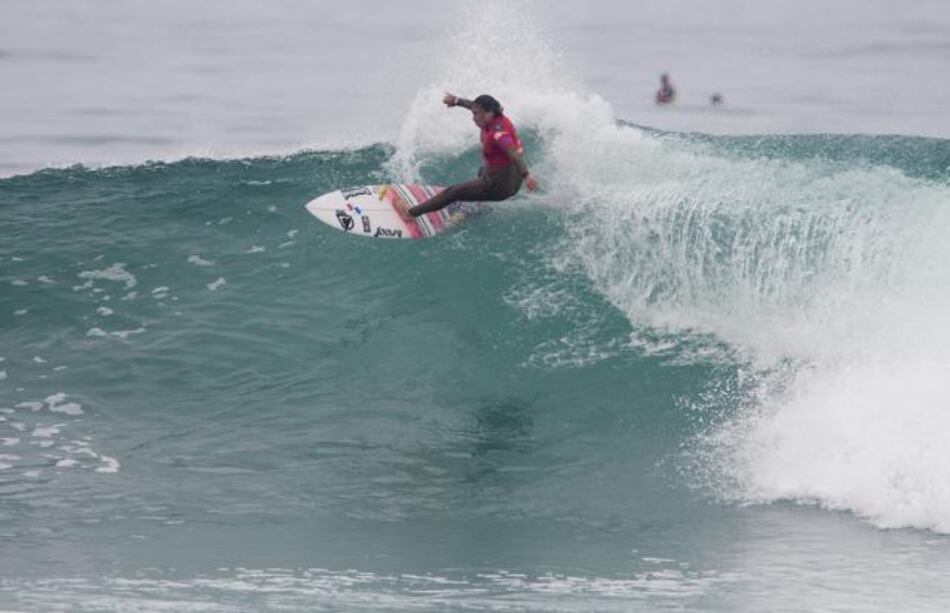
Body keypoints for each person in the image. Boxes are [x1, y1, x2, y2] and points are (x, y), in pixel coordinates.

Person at [404, 93, 538, 218]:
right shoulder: (496, 116)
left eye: (476, 114)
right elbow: (473, 105)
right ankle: (476, 205)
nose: (473, 118)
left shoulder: (498, 134)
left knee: (453, 192)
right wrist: (457, 101)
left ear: (489, 113)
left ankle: (410, 213)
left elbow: (514, 154)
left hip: (499, 188)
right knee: (482, 170)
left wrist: (527, 176)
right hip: (512, 181)